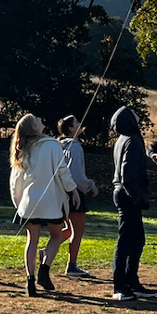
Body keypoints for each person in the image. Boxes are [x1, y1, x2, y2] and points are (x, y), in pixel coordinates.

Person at [9, 114, 78, 297]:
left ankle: (30, 280)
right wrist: (73, 190)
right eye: (38, 120)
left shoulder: (22, 148)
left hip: (29, 203)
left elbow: (16, 181)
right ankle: (44, 269)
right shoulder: (52, 145)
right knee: (56, 235)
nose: (42, 120)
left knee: (32, 241)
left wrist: (18, 203)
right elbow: (62, 171)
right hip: (51, 203)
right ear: (34, 127)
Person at [110, 106, 157, 301]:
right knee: (127, 241)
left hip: (123, 193)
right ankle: (121, 286)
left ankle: (131, 281)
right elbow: (127, 174)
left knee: (136, 240)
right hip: (128, 194)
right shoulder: (133, 141)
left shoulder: (123, 139)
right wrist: (138, 197)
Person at [57, 116, 99, 277]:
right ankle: (72, 266)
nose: (80, 125)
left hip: (60, 192)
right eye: (77, 123)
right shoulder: (75, 146)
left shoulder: (58, 146)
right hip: (73, 192)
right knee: (78, 231)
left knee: (68, 229)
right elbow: (76, 174)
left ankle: (46, 251)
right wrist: (90, 186)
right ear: (71, 129)